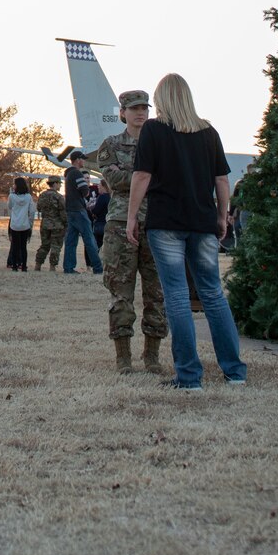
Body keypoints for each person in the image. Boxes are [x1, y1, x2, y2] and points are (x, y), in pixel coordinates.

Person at [129, 73, 245, 390]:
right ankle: (234, 371)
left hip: (166, 223)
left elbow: (141, 176)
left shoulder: (153, 130)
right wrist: (223, 216)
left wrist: (131, 218)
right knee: (213, 295)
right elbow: (223, 180)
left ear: (163, 100)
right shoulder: (209, 132)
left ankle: (189, 376)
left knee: (178, 298)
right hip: (203, 222)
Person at [96, 89, 169, 374]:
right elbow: (114, 178)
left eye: (145, 109)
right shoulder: (111, 144)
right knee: (120, 290)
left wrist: (142, 178)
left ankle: (152, 355)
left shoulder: (161, 143)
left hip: (157, 223)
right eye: (134, 109)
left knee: (157, 292)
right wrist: (148, 176)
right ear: (122, 113)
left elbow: (169, 177)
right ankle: (123, 356)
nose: (141, 113)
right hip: (120, 224)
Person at [62, 151, 103, 274]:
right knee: (89, 239)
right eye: (83, 159)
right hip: (79, 210)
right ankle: (97, 267)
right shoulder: (77, 173)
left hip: (70, 209)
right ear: (78, 160)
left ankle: (68, 267)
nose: (84, 161)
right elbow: (85, 191)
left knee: (71, 240)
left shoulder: (68, 174)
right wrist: (87, 193)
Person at [35, 177, 66, 271]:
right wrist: (66, 223)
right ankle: (52, 266)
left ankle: (38, 264)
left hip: (45, 224)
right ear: (55, 184)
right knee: (56, 246)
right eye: (59, 183)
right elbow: (63, 212)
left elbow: (39, 208)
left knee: (44, 245)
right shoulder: (59, 197)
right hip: (57, 225)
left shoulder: (42, 195)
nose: (60, 185)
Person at [6, 177, 36, 271]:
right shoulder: (28, 197)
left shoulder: (12, 196)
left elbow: (9, 207)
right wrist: (30, 223)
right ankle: (24, 266)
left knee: (15, 246)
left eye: (14, 184)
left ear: (17, 186)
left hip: (15, 224)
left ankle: (14, 266)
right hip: (25, 224)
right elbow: (31, 211)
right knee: (23, 247)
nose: (13, 186)